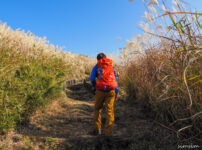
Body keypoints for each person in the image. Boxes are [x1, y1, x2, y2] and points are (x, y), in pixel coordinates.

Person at [90, 52, 119, 137]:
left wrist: (95, 86)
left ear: (97, 59)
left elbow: (92, 78)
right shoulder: (111, 66)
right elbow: (116, 80)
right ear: (106, 58)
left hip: (99, 91)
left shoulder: (96, 66)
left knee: (97, 109)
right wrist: (116, 93)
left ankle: (97, 130)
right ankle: (108, 134)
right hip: (111, 91)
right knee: (110, 111)